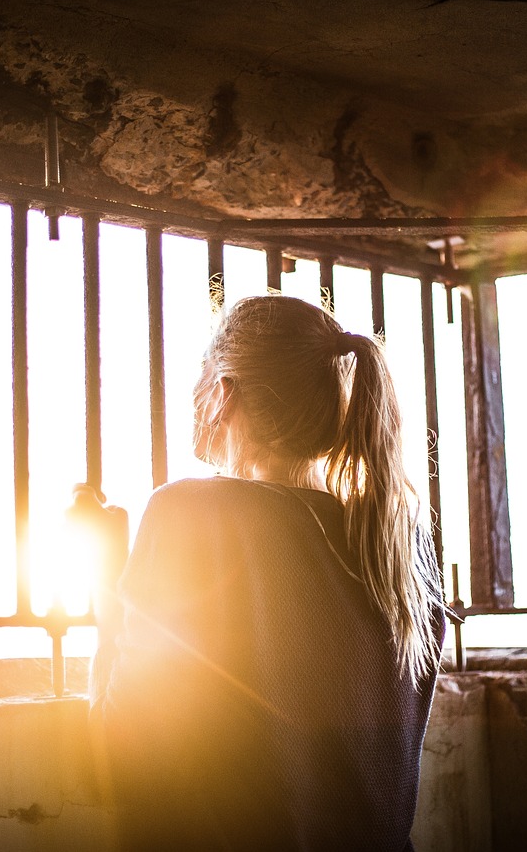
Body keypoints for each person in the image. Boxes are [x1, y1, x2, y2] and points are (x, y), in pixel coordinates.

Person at [89, 294, 446, 851]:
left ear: (222, 396)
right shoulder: (397, 549)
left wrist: (108, 588)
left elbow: (120, 750)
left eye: (203, 372)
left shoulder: (191, 515)